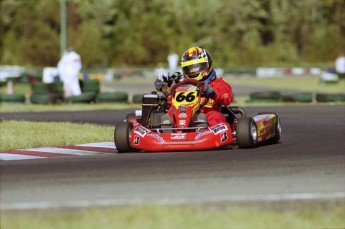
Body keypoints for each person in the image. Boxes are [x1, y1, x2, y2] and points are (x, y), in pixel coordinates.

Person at [155, 47, 233, 127]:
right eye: (189, 68)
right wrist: (166, 92)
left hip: (207, 115)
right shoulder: (182, 85)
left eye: (196, 67)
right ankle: (167, 129)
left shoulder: (217, 83)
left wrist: (213, 92)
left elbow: (227, 98)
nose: (192, 71)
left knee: (214, 116)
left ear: (207, 65)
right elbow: (174, 103)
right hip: (184, 115)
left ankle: (203, 129)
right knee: (171, 112)